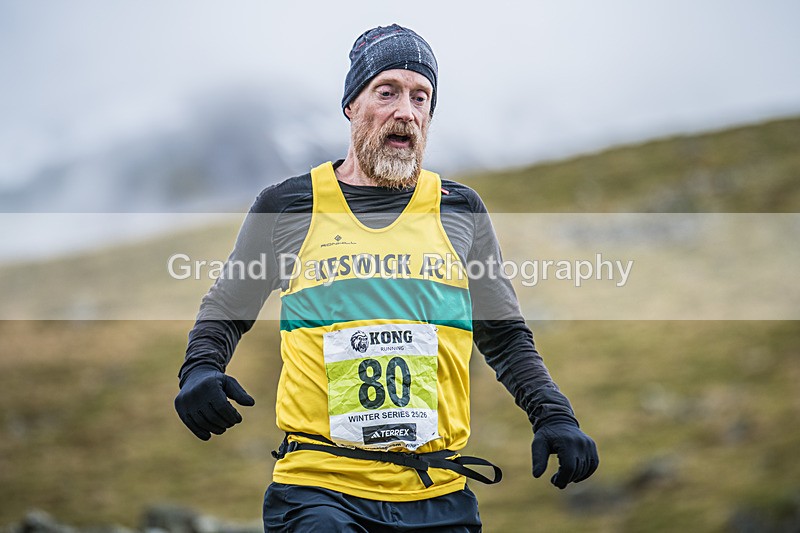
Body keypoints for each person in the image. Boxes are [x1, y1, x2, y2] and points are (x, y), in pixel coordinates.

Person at [175, 24, 599, 532]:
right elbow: (227, 306)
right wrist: (199, 369)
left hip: (437, 493)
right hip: (320, 488)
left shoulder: (459, 210)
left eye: (421, 97)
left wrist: (554, 416)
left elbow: (504, 334)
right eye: (387, 91)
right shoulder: (289, 205)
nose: (407, 111)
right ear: (352, 105)